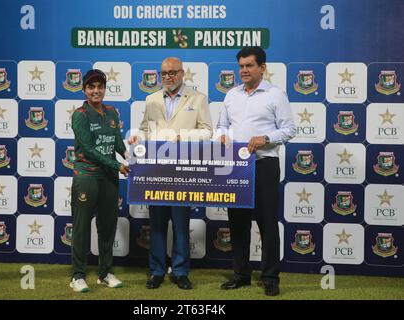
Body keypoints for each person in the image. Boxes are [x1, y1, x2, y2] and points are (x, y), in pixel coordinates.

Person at [215, 47, 296, 296]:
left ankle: (270, 276)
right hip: (236, 167)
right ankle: (241, 274)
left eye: (249, 65)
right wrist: (222, 138)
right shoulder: (231, 95)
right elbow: (221, 126)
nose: (244, 71)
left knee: (267, 223)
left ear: (262, 67)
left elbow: (290, 129)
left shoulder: (275, 95)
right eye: (241, 66)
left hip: (264, 165)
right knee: (237, 223)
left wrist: (266, 137)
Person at [128, 57, 212, 290]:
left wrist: (182, 137)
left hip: (183, 171)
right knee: (156, 224)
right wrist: (138, 137)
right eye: (164, 73)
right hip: (156, 171)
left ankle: (181, 271)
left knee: (181, 224)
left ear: (182, 73)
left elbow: (207, 132)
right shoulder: (151, 98)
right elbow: (146, 129)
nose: (168, 77)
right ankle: (156, 271)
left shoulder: (198, 98)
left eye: (173, 72)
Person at [69, 69, 130, 293]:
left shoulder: (112, 112)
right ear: (84, 89)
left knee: (107, 226)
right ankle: (77, 276)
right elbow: (89, 150)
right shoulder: (80, 114)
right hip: (87, 175)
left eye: (100, 86)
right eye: (91, 87)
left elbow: (117, 142)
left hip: (109, 178)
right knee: (82, 227)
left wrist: (131, 156)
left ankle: (104, 273)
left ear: (105, 88)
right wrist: (118, 165)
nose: (96, 91)